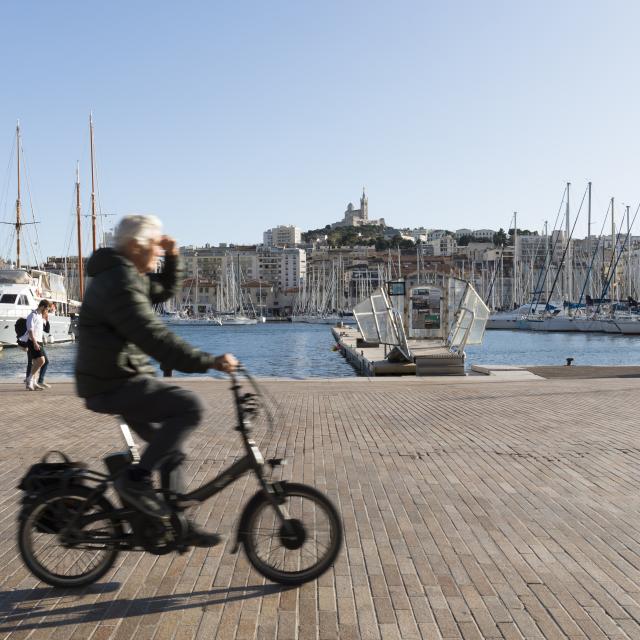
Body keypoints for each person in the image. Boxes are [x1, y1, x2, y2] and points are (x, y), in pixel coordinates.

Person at [75, 214, 237, 546]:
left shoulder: (127, 274)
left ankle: (175, 524)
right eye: (155, 248)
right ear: (136, 247)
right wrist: (210, 361)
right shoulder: (118, 282)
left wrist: (174, 256)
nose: (158, 254)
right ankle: (135, 480)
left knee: (170, 450)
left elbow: (163, 290)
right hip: (113, 382)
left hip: (119, 378)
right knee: (190, 406)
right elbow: (155, 337)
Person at [21, 300, 51, 391]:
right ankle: (29, 379)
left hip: (39, 341)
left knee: (36, 363)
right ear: (42, 306)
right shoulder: (32, 315)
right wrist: (34, 343)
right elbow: (30, 331)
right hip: (33, 341)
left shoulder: (40, 316)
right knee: (42, 361)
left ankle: (33, 383)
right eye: (47, 309)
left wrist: (46, 319)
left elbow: (46, 330)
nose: (47, 311)